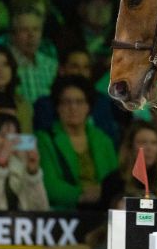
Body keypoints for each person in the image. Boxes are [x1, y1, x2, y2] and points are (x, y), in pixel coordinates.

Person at [36, 75, 118, 210]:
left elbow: (115, 181)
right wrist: (81, 195)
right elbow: (48, 186)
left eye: (79, 102)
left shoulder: (103, 140)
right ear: (57, 107)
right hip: (63, 214)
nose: (73, 107)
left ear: (88, 106)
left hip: (102, 211)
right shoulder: (44, 139)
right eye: (66, 102)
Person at [0, 112, 49, 211]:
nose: (8, 142)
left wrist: (33, 174)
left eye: (13, 137)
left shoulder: (21, 168)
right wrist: (0, 164)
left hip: (22, 224)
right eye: (3, 136)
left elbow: (41, 209)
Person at [100, 120, 157, 208]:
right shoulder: (113, 181)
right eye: (143, 142)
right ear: (130, 147)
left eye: (154, 143)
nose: (149, 148)